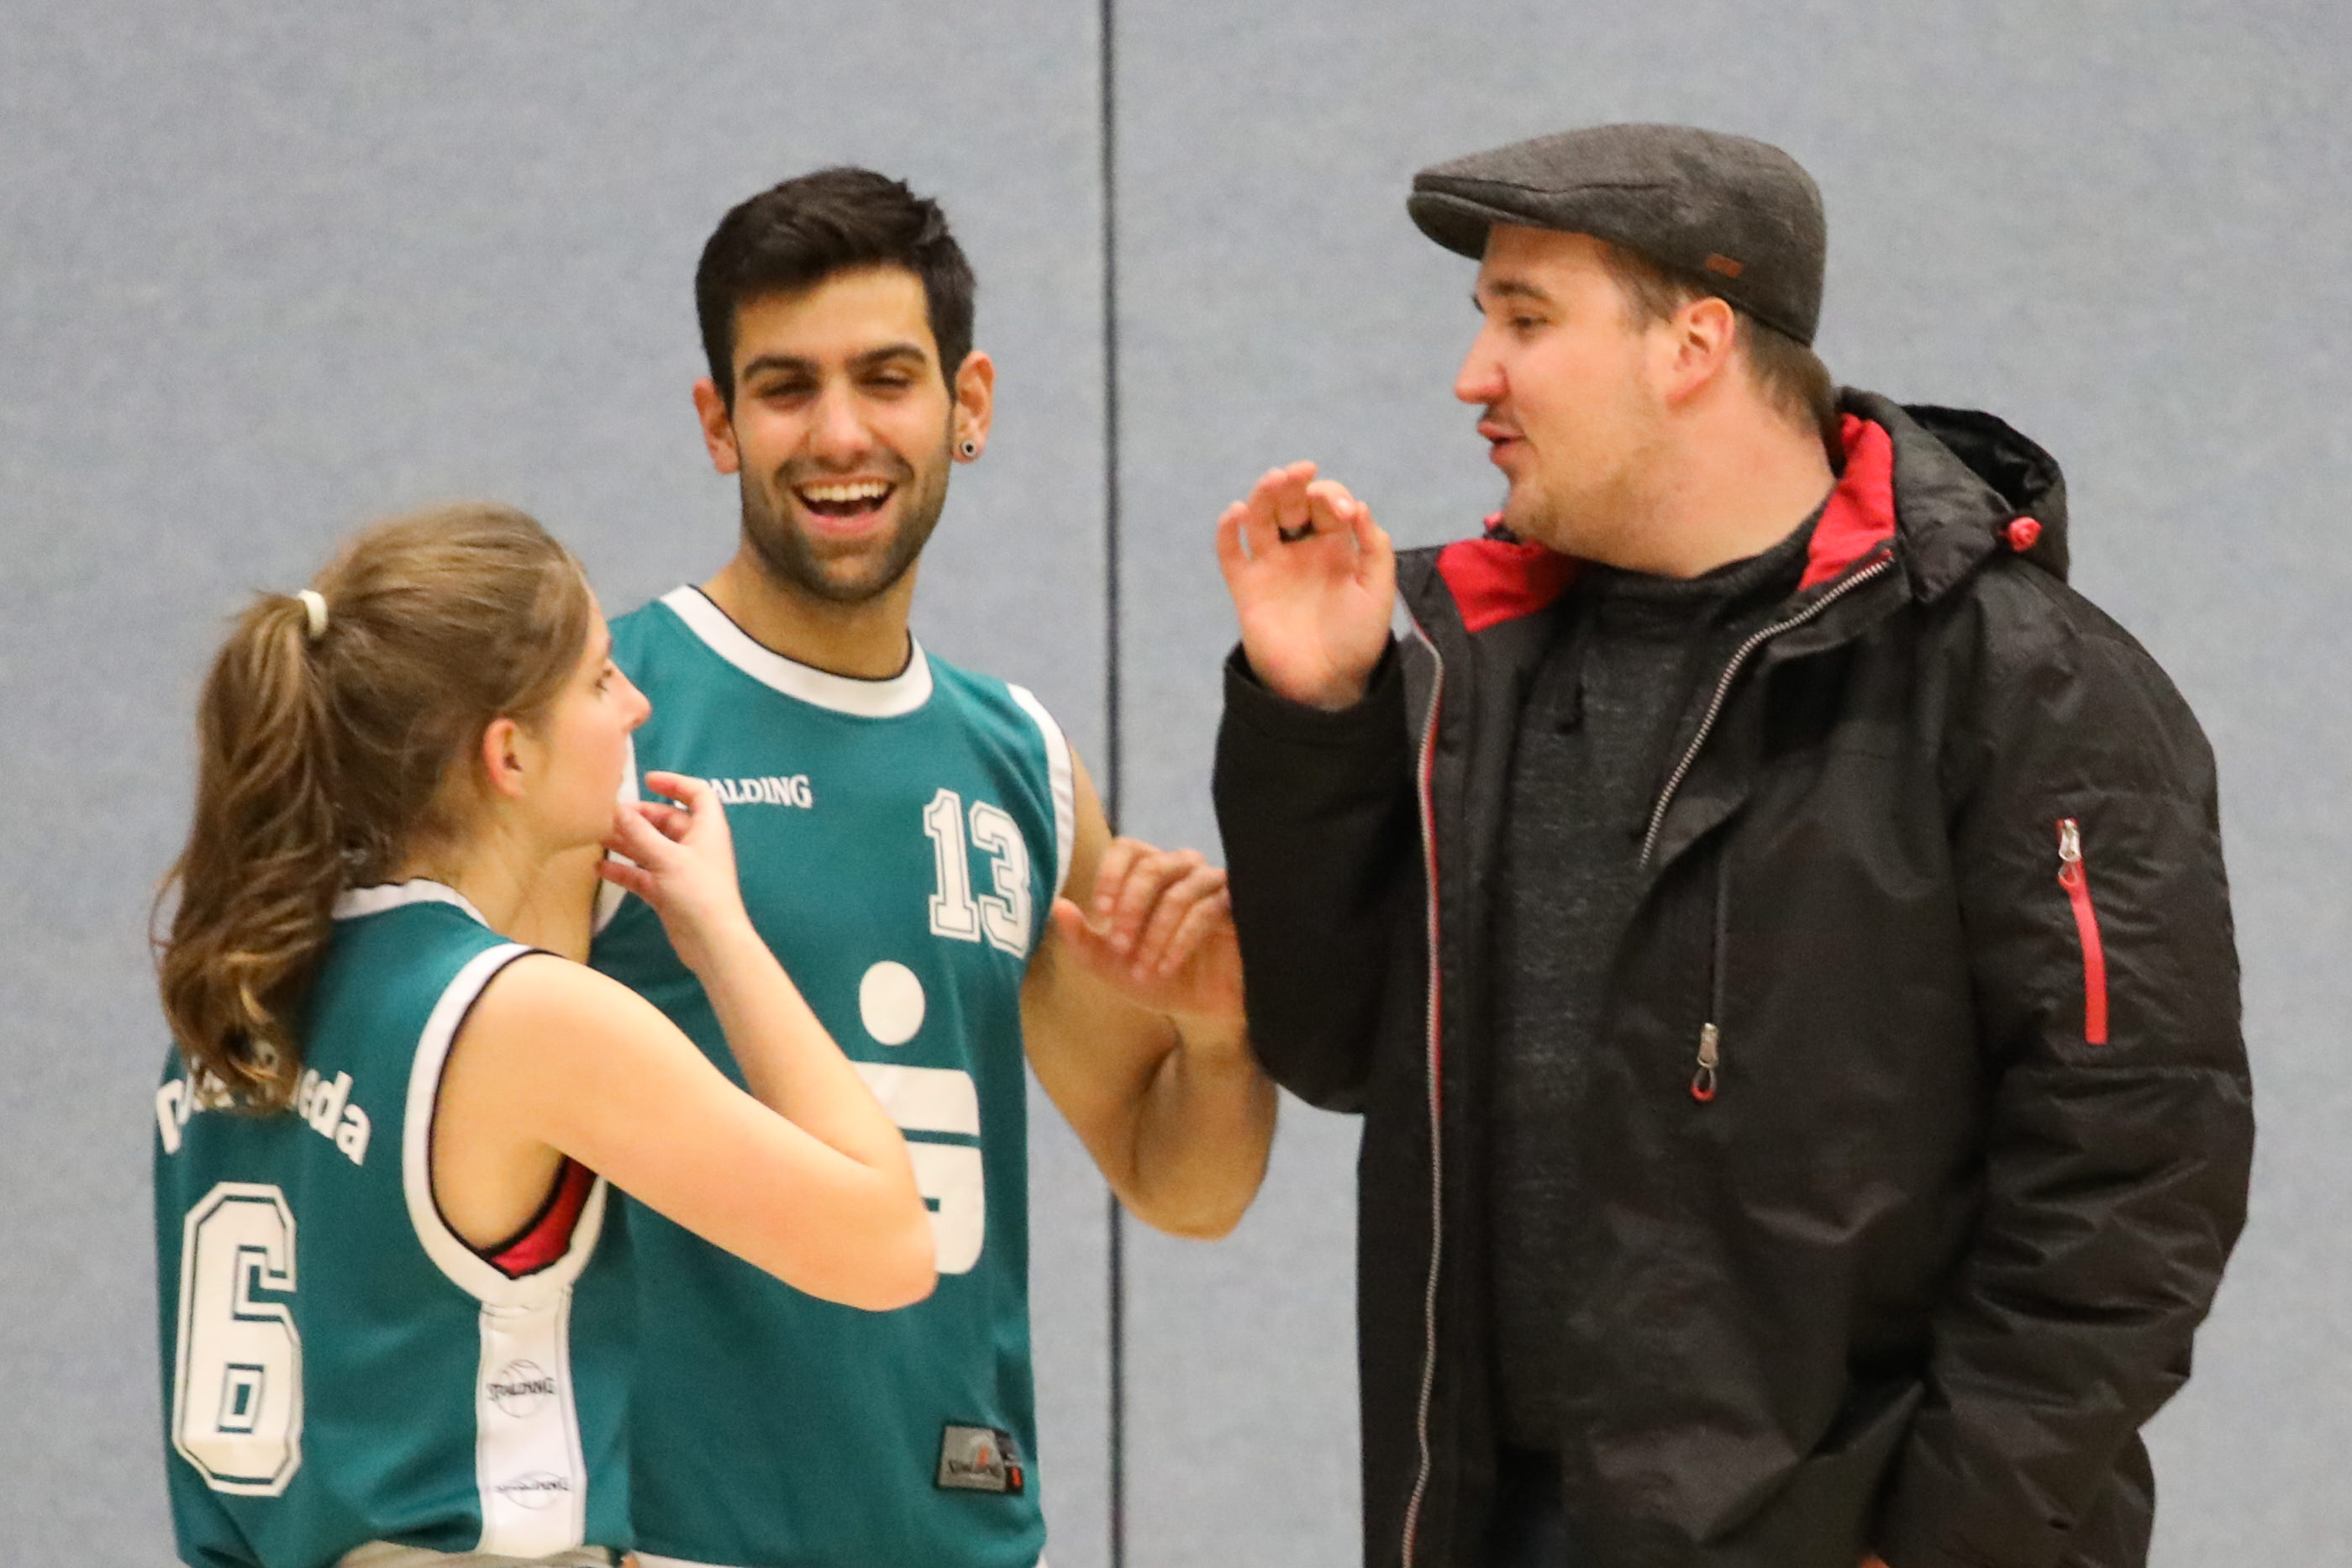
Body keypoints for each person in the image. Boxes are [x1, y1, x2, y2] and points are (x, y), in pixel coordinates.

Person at [1209, 124, 2252, 1568]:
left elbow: (2133, 1170)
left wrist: (1948, 1532)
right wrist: (1316, 714)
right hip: (1499, 1520)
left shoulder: (2022, 684)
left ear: (1691, 342)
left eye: (1524, 320)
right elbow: (1339, 1049)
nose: (1472, 375)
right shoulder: (1493, 666)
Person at [519, 167, 1275, 1568]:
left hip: (960, 1532)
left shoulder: (1023, 762)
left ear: (965, 404)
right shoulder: (605, 728)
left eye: (885, 378)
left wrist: (1220, 1039)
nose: (840, 435)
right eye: (785, 388)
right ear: (717, 423)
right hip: (669, 1539)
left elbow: (1181, 1183)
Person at [152, 504, 936, 1568]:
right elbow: (887, 1247)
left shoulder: (236, 995)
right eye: (601, 680)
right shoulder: (520, 1016)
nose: (638, 705)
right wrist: (723, 936)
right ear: (510, 754)